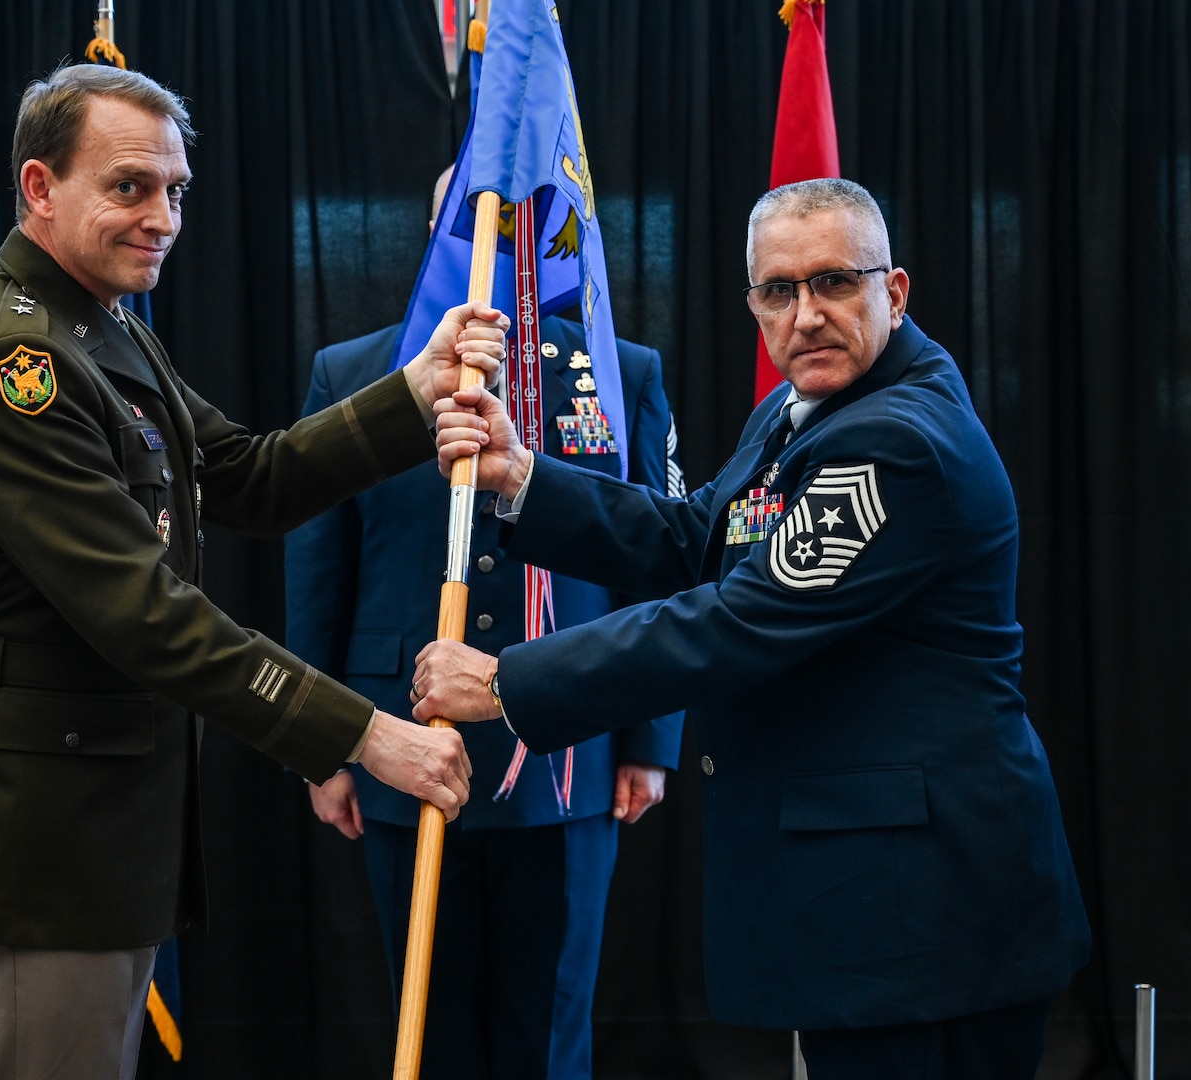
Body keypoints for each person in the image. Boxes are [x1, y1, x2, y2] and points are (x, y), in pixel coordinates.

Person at [0, 63, 506, 1080]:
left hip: (97, 827)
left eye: (174, 189)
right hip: (41, 840)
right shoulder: (16, 372)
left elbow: (249, 478)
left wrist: (415, 390)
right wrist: (361, 732)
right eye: (130, 186)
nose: (162, 216)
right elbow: (147, 617)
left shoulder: (101, 328)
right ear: (40, 188)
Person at [414, 177, 1091, 1080]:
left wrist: (506, 683)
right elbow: (701, 540)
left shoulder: (898, 440)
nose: (805, 315)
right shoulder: (798, 410)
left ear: (893, 291)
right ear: (754, 306)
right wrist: (520, 475)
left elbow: (736, 620)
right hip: (867, 904)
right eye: (779, 291)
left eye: (834, 283)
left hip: (925, 918)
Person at [285, 170, 684, 1080]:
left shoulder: (619, 375)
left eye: (514, 226)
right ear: (432, 237)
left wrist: (652, 739)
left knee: (549, 1034)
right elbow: (317, 571)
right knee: (425, 1030)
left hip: (570, 757)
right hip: (395, 741)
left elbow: (660, 558)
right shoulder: (355, 374)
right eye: (469, 226)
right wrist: (322, 744)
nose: (491, 249)